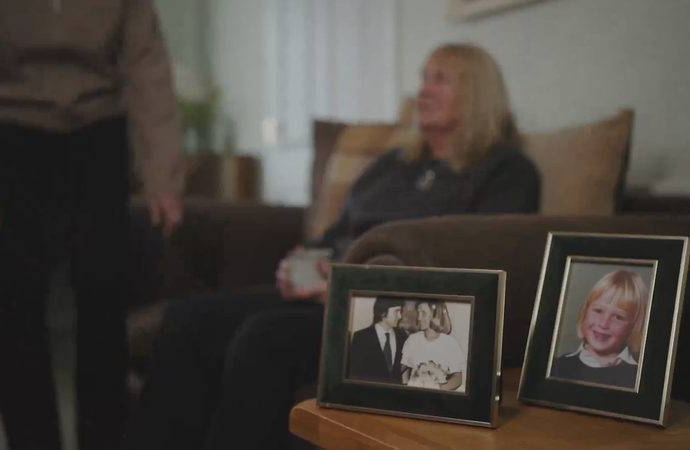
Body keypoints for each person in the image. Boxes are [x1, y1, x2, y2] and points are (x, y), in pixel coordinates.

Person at [123, 43, 540, 450]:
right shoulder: (393, 164)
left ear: (477, 92)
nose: (422, 91)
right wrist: (301, 268)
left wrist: (344, 289)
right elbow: (334, 234)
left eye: (440, 80)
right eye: (423, 79)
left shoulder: (506, 171)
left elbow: (475, 265)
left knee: (264, 336)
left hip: (388, 313)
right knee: (187, 318)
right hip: (325, 295)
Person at [0, 2, 184, 449]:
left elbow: (147, 65)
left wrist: (163, 175)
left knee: (103, 307)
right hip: (6, 133)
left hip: (98, 134)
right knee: (18, 307)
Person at [550, 270, 649, 389]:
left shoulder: (640, 378)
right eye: (598, 311)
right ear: (585, 311)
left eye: (618, 317)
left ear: (634, 326)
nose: (603, 324)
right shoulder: (557, 367)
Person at [401, 301, 466, 391]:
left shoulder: (450, 343)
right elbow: (404, 370)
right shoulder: (412, 340)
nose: (419, 318)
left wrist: (437, 389)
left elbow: (457, 379)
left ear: (436, 316)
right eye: (418, 313)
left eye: (423, 313)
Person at [348, 297, 407, 384]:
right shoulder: (361, 337)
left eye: (400, 311)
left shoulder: (402, 336)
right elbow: (354, 374)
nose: (400, 316)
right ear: (383, 312)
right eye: (396, 311)